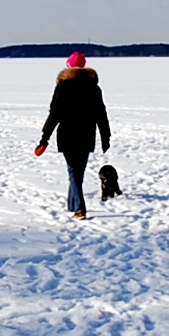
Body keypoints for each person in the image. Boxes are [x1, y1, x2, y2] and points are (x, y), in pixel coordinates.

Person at [37, 51, 111, 220]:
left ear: (68, 66)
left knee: (73, 172)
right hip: (86, 135)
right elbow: (101, 114)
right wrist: (105, 136)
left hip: (67, 135)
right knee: (78, 172)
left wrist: (44, 138)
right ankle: (72, 204)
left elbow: (54, 113)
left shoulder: (63, 86)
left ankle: (79, 209)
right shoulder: (94, 87)